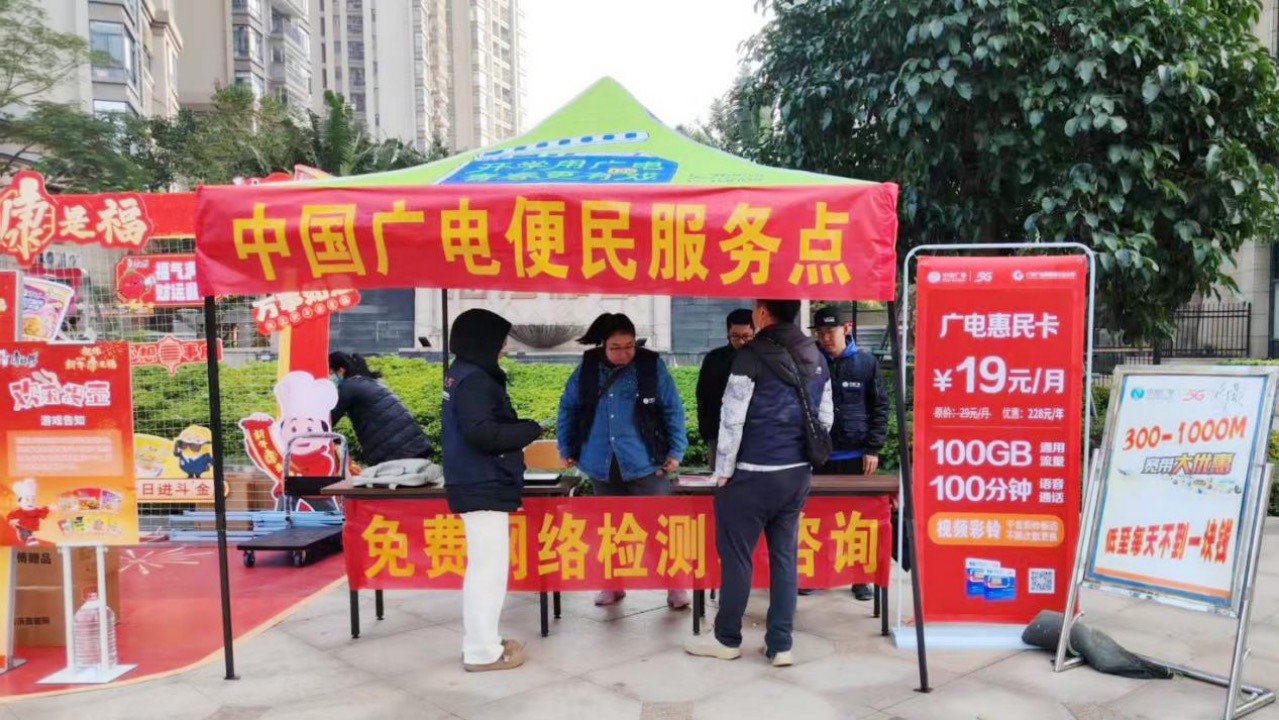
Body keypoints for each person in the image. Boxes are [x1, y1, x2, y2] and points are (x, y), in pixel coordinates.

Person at [684, 299, 832, 668]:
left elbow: (731, 420)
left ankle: (726, 638)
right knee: (784, 558)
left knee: (737, 557)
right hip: (796, 474)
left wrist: (722, 471)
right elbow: (825, 417)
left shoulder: (750, 356)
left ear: (763, 313)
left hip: (751, 474)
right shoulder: (816, 355)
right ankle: (781, 644)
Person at [557, 312, 690, 609]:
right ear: (603, 345)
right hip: (601, 461)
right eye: (615, 347)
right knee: (610, 528)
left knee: (659, 528)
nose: (623, 353)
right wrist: (565, 446)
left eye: (629, 346)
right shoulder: (587, 368)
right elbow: (568, 408)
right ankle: (612, 584)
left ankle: (675, 586)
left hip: (645, 460)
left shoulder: (650, 366)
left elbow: (672, 409)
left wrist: (676, 451)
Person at [441, 309, 543, 672]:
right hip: (482, 481)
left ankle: (485, 640)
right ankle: (481, 651)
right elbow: (483, 433)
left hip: (474, 479)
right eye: (500, 340)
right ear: (482, 340)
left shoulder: (459, 372)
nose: (504, 347)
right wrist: (529, 429)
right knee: (488, 570)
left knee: (484, 568)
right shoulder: (475, 380)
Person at [807, 309, 890, 600]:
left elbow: (879, 407)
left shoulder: (866, 363)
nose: (825, 338)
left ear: (846, 328)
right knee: (817, 518)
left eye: (830, 332)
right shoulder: (810, 362)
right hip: (819, 456)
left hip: (855, 455)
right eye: (820, 333)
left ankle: (859, 578)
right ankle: (816, 573)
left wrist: (873, 449)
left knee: (857, 519)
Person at [329, 352, 433, 467]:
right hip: (413, 443)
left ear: (341, 370)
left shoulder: (348, 387)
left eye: (332, 372)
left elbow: (330, 419)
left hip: (395, 451)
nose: (331, 377)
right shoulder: (368, 382)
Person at [695, 309, 755, 453]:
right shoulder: (714, 359)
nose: (741, 341)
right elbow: (703, 395)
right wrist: (707, 429)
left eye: (746, 336)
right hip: (720, 432)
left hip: (754, 435)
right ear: (728, 333)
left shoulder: (762, 358)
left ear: (754, 332)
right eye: (735, 336)